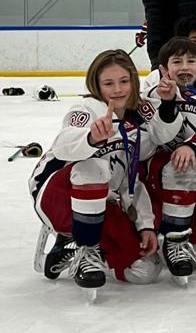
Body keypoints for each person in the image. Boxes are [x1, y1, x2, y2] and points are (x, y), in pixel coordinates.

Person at [29, 50, 182, 297]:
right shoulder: (86, 108)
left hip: (100, 200)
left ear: (133, 81)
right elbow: (63, 144)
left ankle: (75, 246)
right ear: (96, 84)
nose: (118, 90)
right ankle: (86, 247)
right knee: (94, 168)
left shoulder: (139, 111)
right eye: (108, 83)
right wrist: (91, 138)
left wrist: (145, 226)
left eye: (124, 81)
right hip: (57, 195)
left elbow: (132, 179)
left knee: (145, 271)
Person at [143, 37, 196, 282]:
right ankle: (172, 237)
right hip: (156, 173)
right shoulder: (151, 95)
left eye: (191, 61)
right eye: (176, 62)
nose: (184, 67)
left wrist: (192, 147)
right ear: (163, 69)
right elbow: (158, 137)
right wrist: (168, 103)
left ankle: (177, 232)